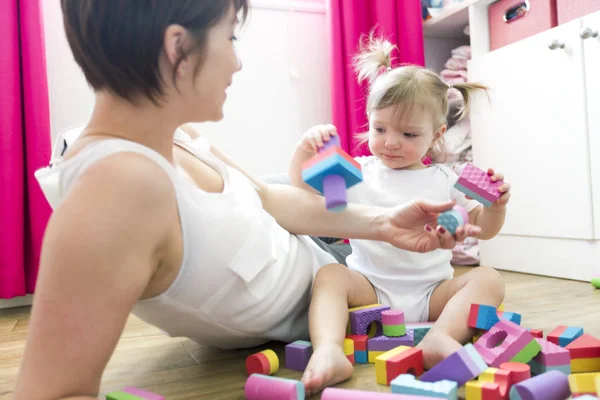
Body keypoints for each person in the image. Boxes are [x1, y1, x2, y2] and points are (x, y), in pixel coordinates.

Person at [14, 3, 482, 399]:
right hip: (341, 279)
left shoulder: (178, 136)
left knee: (298, 178)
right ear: (180, 48)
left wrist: (381, 222)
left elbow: (265, 197)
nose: (237, 64)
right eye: (231, 39)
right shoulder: (117, 192)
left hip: (322, 241)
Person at [288, 36, 509, 395]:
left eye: (408, 134)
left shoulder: (446, 178)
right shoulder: (357, 170)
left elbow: (483, 230)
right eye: (380, 129)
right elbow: (302, 191)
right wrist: (304, 150)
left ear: (436, 135)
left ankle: (440, 338)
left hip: (432, 292)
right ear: (370, 121)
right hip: (370, 289)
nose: (390, 142)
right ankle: (328, 350)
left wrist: (496, 206)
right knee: (330, 274)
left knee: (489, 279)